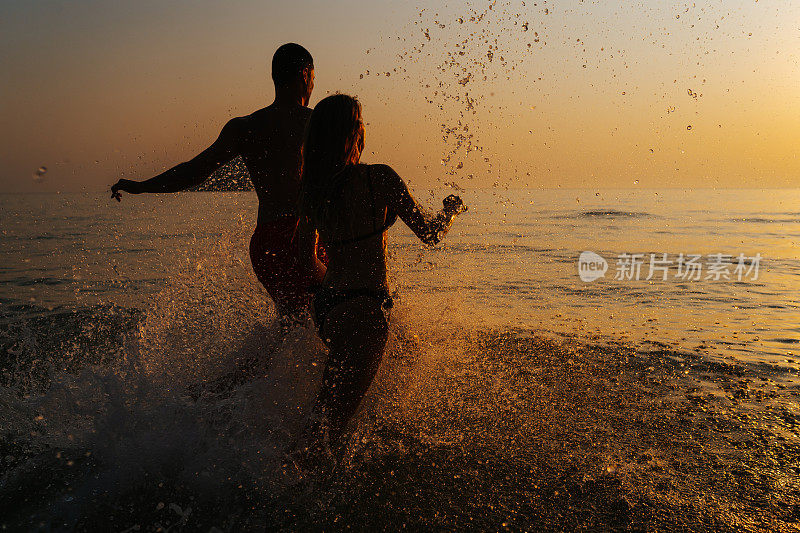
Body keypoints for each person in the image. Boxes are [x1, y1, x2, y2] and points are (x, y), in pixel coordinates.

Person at [296, 94, 466, 453]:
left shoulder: (311, 189)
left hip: (330, 307)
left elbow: (305, 259)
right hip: (364, 315)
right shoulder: (379, 178)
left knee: (403, 360)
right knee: (326, 431)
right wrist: (451, 209)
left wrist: (339, 290)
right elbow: (431, 234)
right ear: (356, 133)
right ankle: (280, 494)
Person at [110, 43, 325, 320]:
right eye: (313, 79)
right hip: (306, 237)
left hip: (266, 242)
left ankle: (256, 364)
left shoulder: (246, 127)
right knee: (320, 321)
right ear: (305, 74)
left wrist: (140, 186)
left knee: (294, 322)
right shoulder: (317, 123)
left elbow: (193, 171)